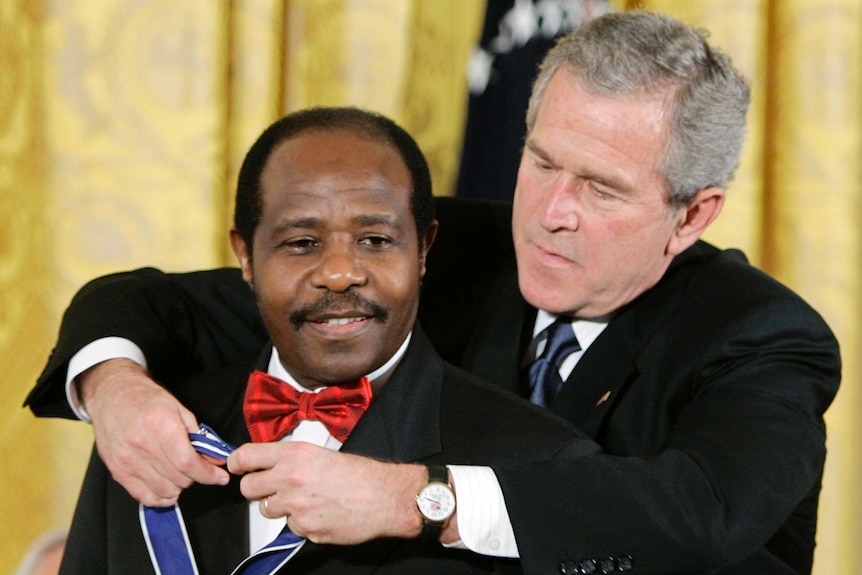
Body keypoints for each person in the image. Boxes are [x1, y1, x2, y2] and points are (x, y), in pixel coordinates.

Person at [25, 11, 840, 575]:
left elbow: (699, 511)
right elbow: (167, 303)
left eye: (600, 188)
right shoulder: (451, 249)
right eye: (543, 161)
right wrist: (113, 383)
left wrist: (417, 495)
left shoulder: (764, 336)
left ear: (692, 213)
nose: (550, 214)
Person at [54, 107, 599, 574]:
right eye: (301, 242)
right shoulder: (143, 435)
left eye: (375, 240)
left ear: (424, 249)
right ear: (245, 256)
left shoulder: (536, 462)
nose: (340, 273)